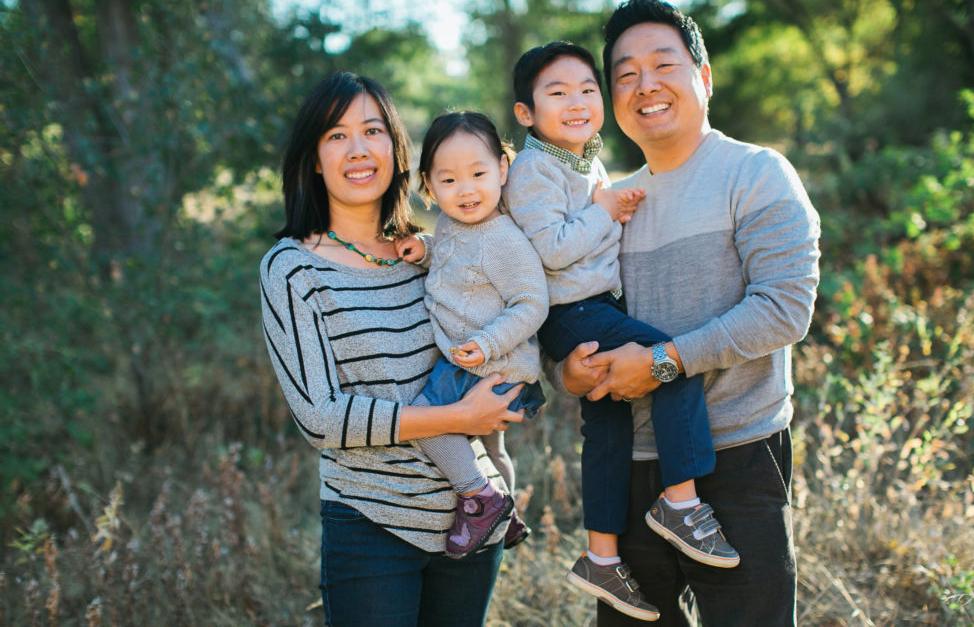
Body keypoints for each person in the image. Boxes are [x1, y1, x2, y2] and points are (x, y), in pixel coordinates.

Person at [558, 0, 822, 626]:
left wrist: (664, 362)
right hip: (627, 467)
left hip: (735, 457)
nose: (644, 85)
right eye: (625, 74)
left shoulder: (755, 173)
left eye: (663, 65)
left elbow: (785, 308)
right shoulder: (607, 202)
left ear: (704, 77)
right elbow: (569, 310)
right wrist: (566, 372)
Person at [260, 72, 525, 627]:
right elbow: (319, 417)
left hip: (471, 517)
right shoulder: (293, 269)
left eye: (372, 130)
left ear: (395, 147)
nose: (357, 149)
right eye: (336, 135)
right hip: (371, 522)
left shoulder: (432, 246)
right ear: (313, 158)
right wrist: (456, 416)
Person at [503, 41, 739, 623]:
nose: (578, 101)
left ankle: (601, 554)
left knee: (606, 429)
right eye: (557, 93)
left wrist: (604, 204)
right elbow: (551, 250)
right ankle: (680, 504)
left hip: (585, 309)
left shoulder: (585, 161)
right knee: (671, 363)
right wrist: (604, 209)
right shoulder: (535, 170)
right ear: (525, 114)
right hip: (576, 310)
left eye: (587, 89)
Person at [393, 111, 549, 559]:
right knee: (493, 447)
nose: (466, 190)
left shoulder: (502, 239)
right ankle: (509, 510)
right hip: (480, 365)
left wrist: (488, 342)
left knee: (425, 422)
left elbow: (531, 301)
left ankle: (479, 497)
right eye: (448, 180)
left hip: (490, 366)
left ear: (502, 168)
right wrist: (423, 249)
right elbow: (453, 263)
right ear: (429, 184)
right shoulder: (452, 223)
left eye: (479, 174)